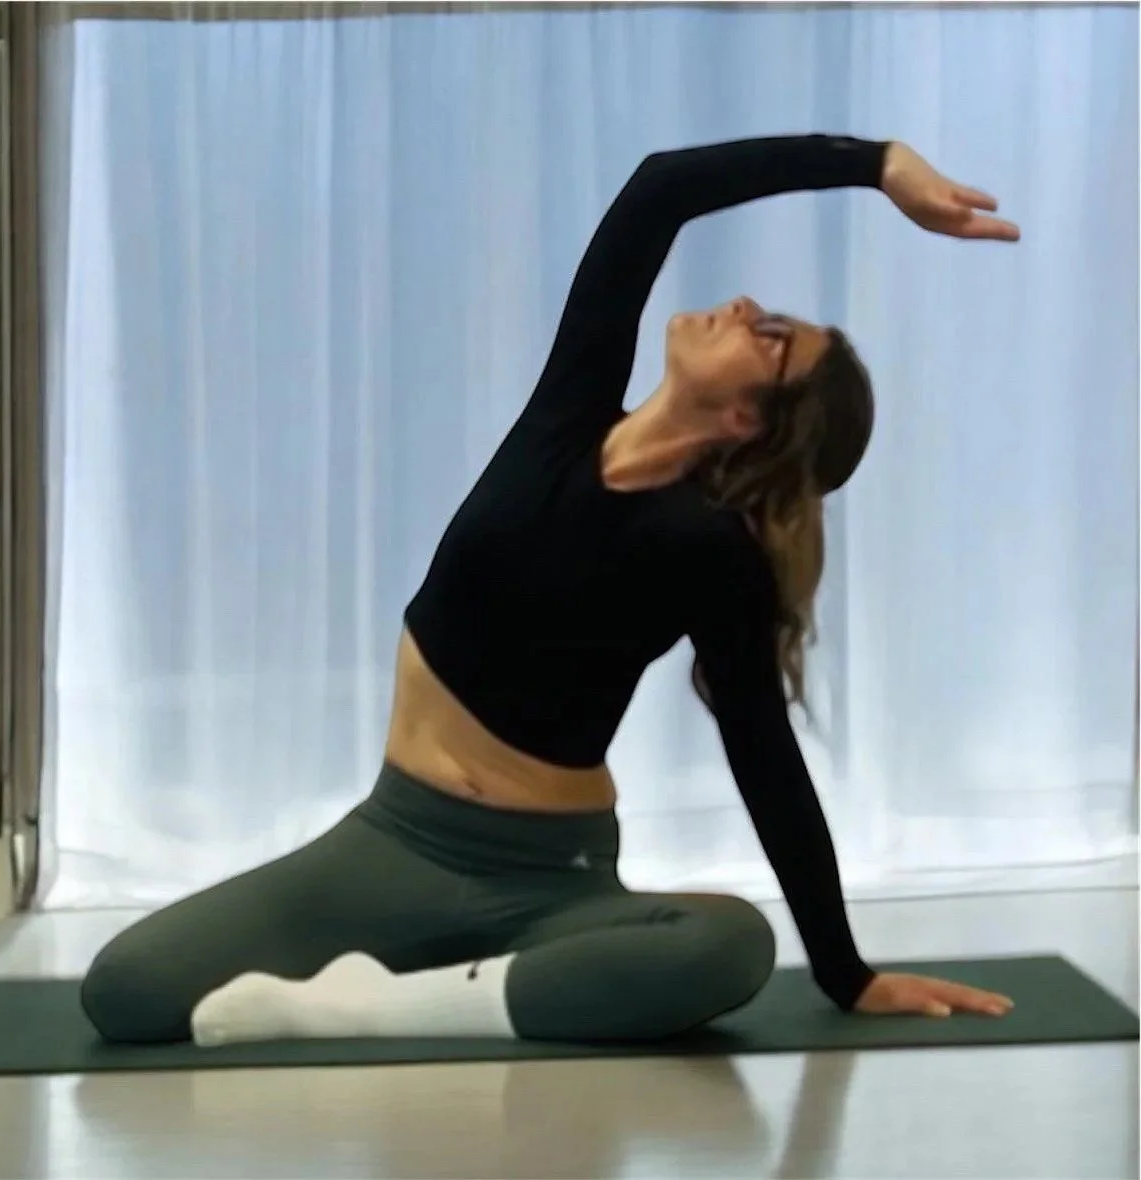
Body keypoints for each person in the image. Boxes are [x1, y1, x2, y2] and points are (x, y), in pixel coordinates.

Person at [80, 133, 1020, 1047]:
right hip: (392, 838)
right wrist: (874, 163)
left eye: (769, 336)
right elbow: (659, 190)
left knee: (729, 945)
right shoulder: (569, 415)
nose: (742, 305)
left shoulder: (707, 551)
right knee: (126, 992)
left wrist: (845, 973)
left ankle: (368, 1011)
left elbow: (763, 754)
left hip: (547, 880)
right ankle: (472, 992)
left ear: (745, 417)